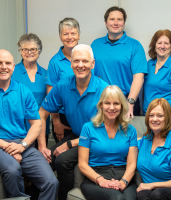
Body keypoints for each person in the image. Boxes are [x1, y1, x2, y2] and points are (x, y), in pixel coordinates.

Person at [0, 49, 58, 199]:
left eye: (8, 63)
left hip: (23, 145)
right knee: (12, 169)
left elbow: (36, 124)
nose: (4, 67)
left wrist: (22, 145)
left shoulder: (23, 91)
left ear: (13, 67)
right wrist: (7, 147)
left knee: (51, 182)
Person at [37, 44, 108, 200]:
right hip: (78, 135)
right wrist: (42, 147)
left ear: (93, 64)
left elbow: (107, 129)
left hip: (99, 140)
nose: (80, 65)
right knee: (43, 159)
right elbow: (41, 114)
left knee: (62, 160)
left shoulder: (104, 90)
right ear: (71, 64)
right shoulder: (63, 85)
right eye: (76, 61)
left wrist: (69, 144)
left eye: (85, 61)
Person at [79, 85, 138, 200]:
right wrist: (101, 180)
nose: (112, 108)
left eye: (116, 103)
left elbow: (131, 164)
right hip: (95, 178)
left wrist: (123, 183)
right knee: (117, 198)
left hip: (123, 176)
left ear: (122, 106)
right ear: (101, 105)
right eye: (107, 103)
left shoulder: (131, 130)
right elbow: (82, 164)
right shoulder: (88, 128)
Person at [91, 6, 147, 118]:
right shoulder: (95, 45)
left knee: (126, 135)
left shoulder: (135, 46)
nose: (116, 23)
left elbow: (138, 77)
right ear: (106, 23)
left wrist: (130, 102)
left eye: (119, 19)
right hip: (101, 102)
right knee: (102, 135)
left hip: (126, 101)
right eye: (112, 19)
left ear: (124, 23)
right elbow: (90, 76)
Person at [136, 98, 171, 200]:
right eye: (151, 115)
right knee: (141, 195)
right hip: (153, 191)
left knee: (157, 194)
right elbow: (128, 144)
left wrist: (153, 185)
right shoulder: (146, 139)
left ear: (168, 118)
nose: (154, 119)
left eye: (160, 115)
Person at [46, 18, 80, 143]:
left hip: (86, 116)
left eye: (73, 33)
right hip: (63, 117)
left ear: (79, 35)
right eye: (65, 34)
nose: (69, 37)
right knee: (62, 156)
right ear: (60, 37)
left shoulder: (88, 56)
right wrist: (56, 121)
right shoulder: (55, 62)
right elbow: (51, 93)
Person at [12, 33, 50, 147]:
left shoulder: (46, 74)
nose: (29, 52)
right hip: (19, 128)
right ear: (20, 51)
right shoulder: (12, 73)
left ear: (39, 51)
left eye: (33, 49)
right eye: (25, 49)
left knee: (40, 160)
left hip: (41, 128)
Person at [143, 30, 171, 117]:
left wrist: (169, 120)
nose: (162, 46)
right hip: (149, 116)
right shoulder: (149, 64)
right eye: (159, 43)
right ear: (154, 45)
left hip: (168, 117)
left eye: (166, 43)